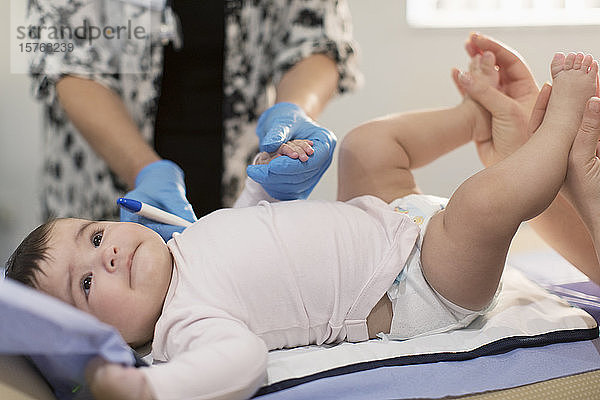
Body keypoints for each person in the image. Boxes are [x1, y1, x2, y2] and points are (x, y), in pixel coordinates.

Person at [6, 46, 600, 398]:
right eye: (85, 285)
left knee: (367, 146)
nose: (105, 255)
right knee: (478, 206)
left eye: (96, 235)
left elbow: (249, 220)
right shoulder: (182, 327)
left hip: (391, 224)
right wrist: (153, 390)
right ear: (106, 338)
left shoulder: (182, 244)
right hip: (419, 287)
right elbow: (237, 363)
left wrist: (268, 177)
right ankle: (552, 138)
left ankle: (470, 114)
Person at [27, 0, 360, 240]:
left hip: (236, 194)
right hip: (99, 184)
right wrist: (143, 168)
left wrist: (293, 112)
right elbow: (61, 55)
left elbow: (318, 40)